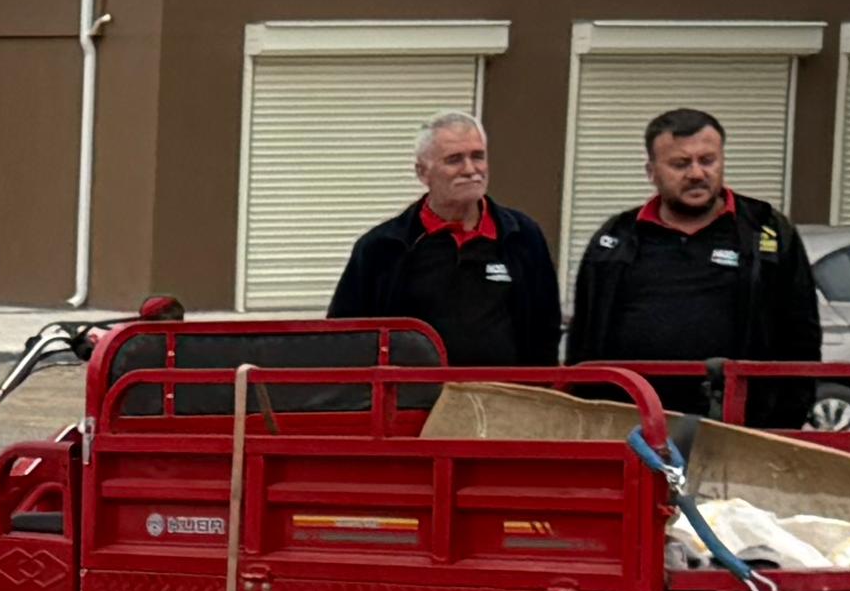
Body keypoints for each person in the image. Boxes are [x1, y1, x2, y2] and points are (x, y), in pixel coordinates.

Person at [561, 105, 821, 421]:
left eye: (707, 161)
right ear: (651, 172)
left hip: (739, 426)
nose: (697, 174)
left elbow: (802, 336)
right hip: (633, 425)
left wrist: (786, 419)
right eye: (680, 164)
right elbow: (583, 339)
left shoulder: (767, 232)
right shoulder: (615, 237)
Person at [326, 112, 559, 368]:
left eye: (477, 156)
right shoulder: (382, 248)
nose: (471, 170)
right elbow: (343, 337)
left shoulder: (523, 237)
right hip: (414, 403)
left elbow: (544, 329)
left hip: (501, 401)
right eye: (454, 160)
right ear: (422, 172)